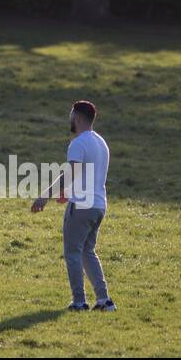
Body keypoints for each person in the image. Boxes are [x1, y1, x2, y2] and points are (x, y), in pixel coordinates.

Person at [32, 100, 114, 312]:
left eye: (71, 115)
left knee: (73, 253)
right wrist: (68, 193)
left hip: (81, 207)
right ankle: (104, 300)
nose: (69, 119)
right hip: (98, 205)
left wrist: (45, 196)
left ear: (77, 117)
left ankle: (79, 302)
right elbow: (88, 176)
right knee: (88, 251)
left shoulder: (78, 143)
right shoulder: (101, 143)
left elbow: (69, 174)